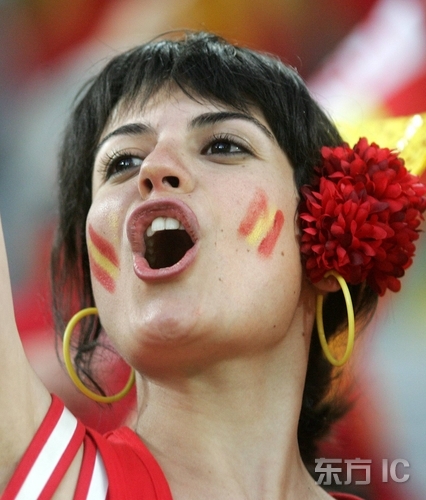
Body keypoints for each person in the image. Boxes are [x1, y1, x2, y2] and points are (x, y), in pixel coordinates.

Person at [1, 31, 425, 500]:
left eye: (222, 146)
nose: (154, 169)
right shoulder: (41, 474)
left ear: (325, 247)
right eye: (122, 161)